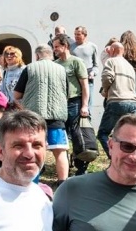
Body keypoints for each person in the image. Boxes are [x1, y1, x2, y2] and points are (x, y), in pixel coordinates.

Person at [14, 45, 71, 181]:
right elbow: (67, 93)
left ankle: (33, 182)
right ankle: (63, 183)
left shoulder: (30, 68)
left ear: (37, 55)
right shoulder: (62, 70)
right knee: (60, 152)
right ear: (51, 55)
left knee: (33, 150)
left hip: (34, 118)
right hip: (56, 117)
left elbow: (17, 94)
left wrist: (24, 105)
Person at [53, 34, 90, 175]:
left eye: (57, 46)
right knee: (63, 135)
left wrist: (84, 105)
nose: (54, 49)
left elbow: (84, 85)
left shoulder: (76, 62)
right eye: (53, 47)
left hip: (74, 102)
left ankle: (81, 167)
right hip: (59, 103)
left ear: (65, 46)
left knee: (76, 135)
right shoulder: (55, 64)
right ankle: (66, 166)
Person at [97, 40, 136, 157]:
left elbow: (107, 78)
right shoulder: (130, 66)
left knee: (103, 133)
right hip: (132, 103)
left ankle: (114, 158)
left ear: (113, 50)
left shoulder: (111, 61)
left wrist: (105, 91)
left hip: (116, 101)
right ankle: (129, 157)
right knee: (129, 135)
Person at [71, 26, 99, 108]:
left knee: (88, 103)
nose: (76, 36)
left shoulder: (92, 47)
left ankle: (87, 119)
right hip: (74, 79)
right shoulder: (70, 47)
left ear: (85, 35)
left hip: (88, 78)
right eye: (75, 34)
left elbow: (96, 65)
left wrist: (93, 73)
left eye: (78, 34)